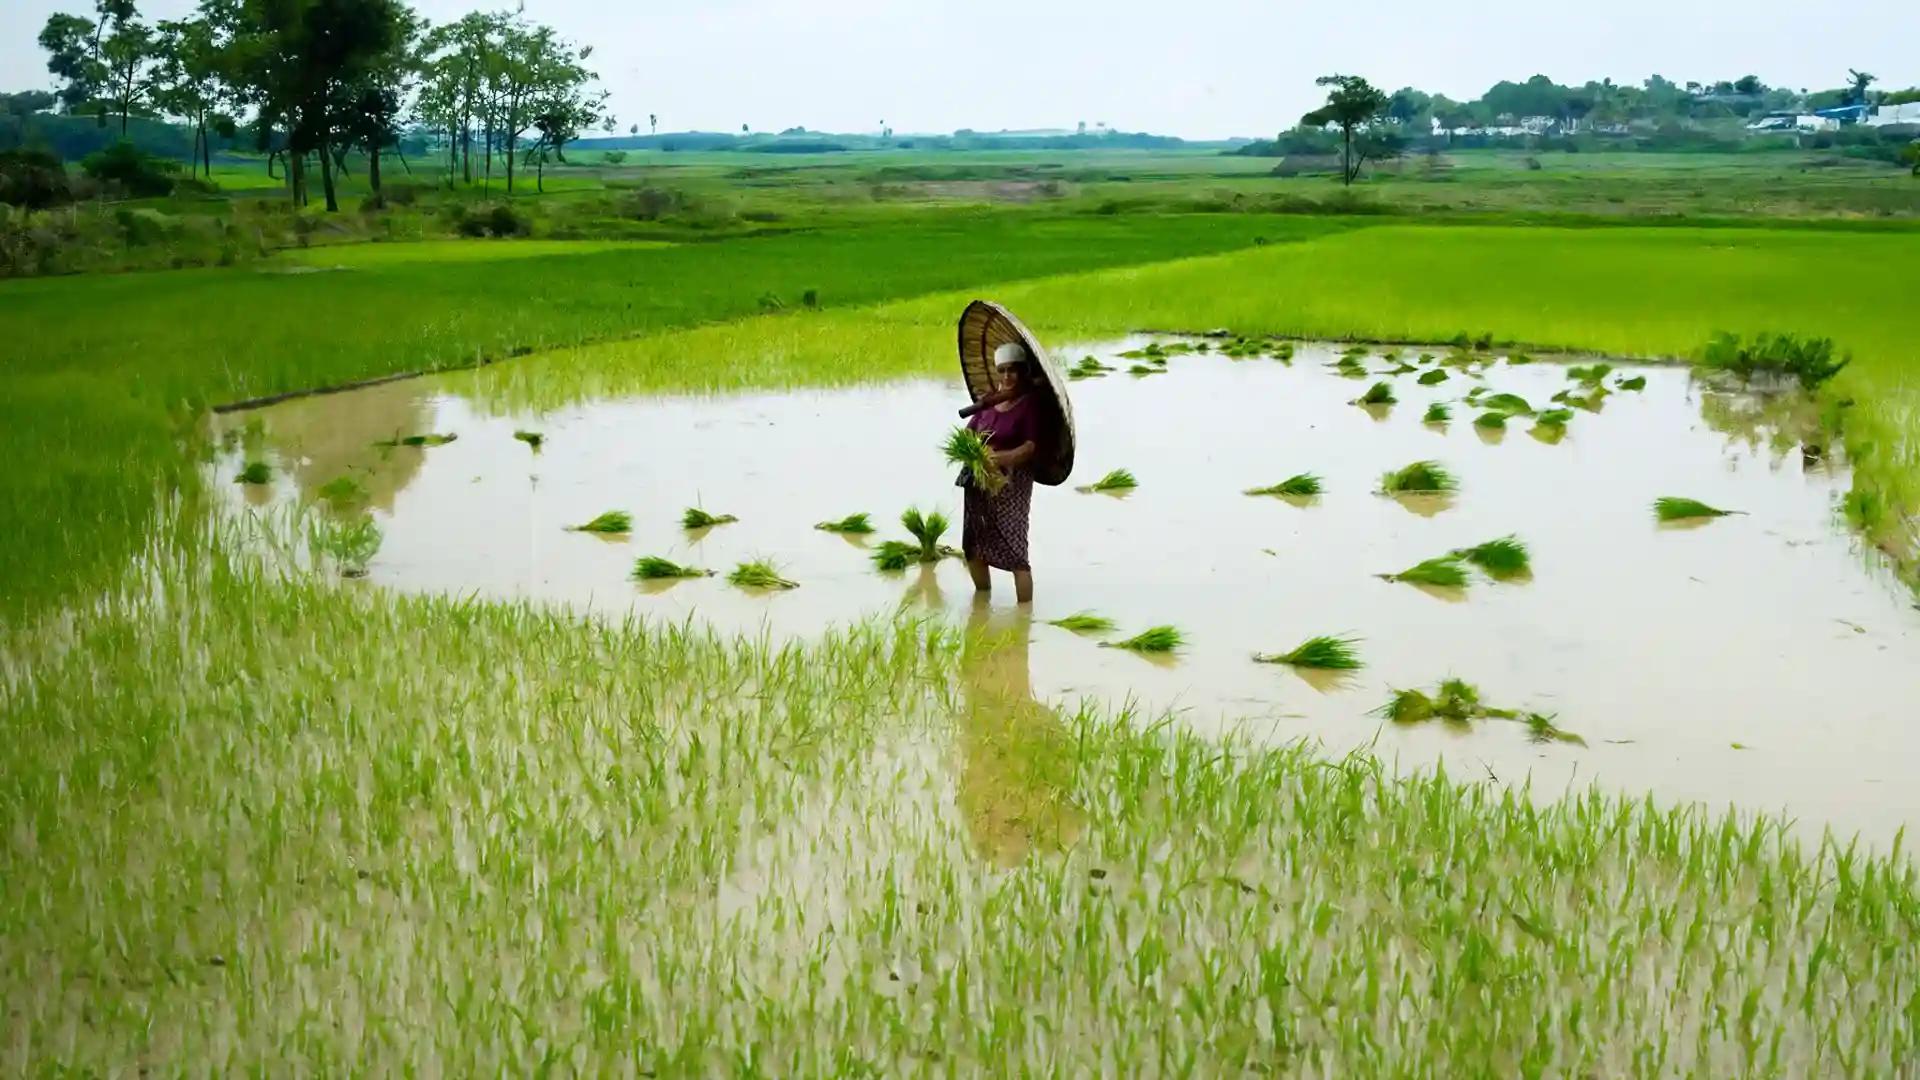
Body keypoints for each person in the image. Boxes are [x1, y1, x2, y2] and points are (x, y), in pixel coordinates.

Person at [960, 342, 1043, 603]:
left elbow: (1029, 447)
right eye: (1002, 370)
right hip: (979, 481)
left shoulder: (1029, 405)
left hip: (1011, 483)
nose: (1006, 376)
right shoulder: (988, 403)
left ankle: (1024, 617)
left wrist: (998, 459)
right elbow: (968, 433)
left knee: (1016, 551)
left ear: (1022, 373)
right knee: (973, 547)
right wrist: (974, 454)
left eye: (1013, 371)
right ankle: (981, 604)